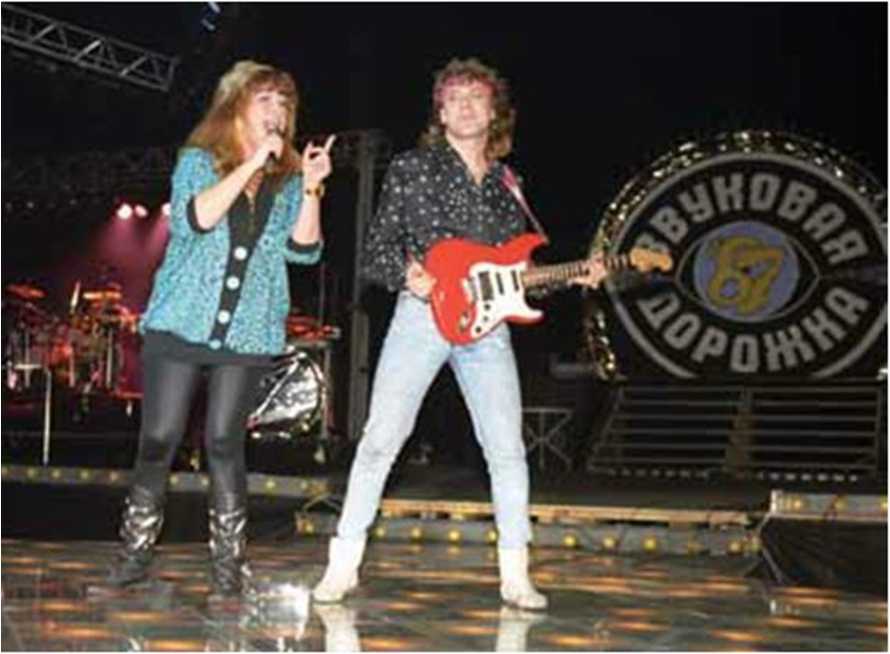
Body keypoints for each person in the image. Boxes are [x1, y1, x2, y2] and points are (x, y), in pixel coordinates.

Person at [313, 57, 605, 610]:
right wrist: (409, 275)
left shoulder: (508, 185)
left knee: (507, 448)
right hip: (421, 317)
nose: (466, 105)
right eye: (455, 98)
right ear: (440, 114)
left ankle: (516, 575)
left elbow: (516, 277)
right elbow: (376, 250)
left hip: (486, 329)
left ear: (494, 113)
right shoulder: (412, 168)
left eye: (477, 97)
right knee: (381, 440)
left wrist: (573, 276)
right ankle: (342, 565)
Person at [107, 60, 335, 596]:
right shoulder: (197, 161)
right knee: (159, 437)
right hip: (182, 318)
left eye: (284, 103)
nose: (277, 113)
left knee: (225, 441)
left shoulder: (286, 181)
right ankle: (133, 556)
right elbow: (196, 220)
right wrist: (252, 161)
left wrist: (311, 189)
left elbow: (304, 252)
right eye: (265, 100)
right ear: (236, 107)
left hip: (247, 329)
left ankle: (229, 567)